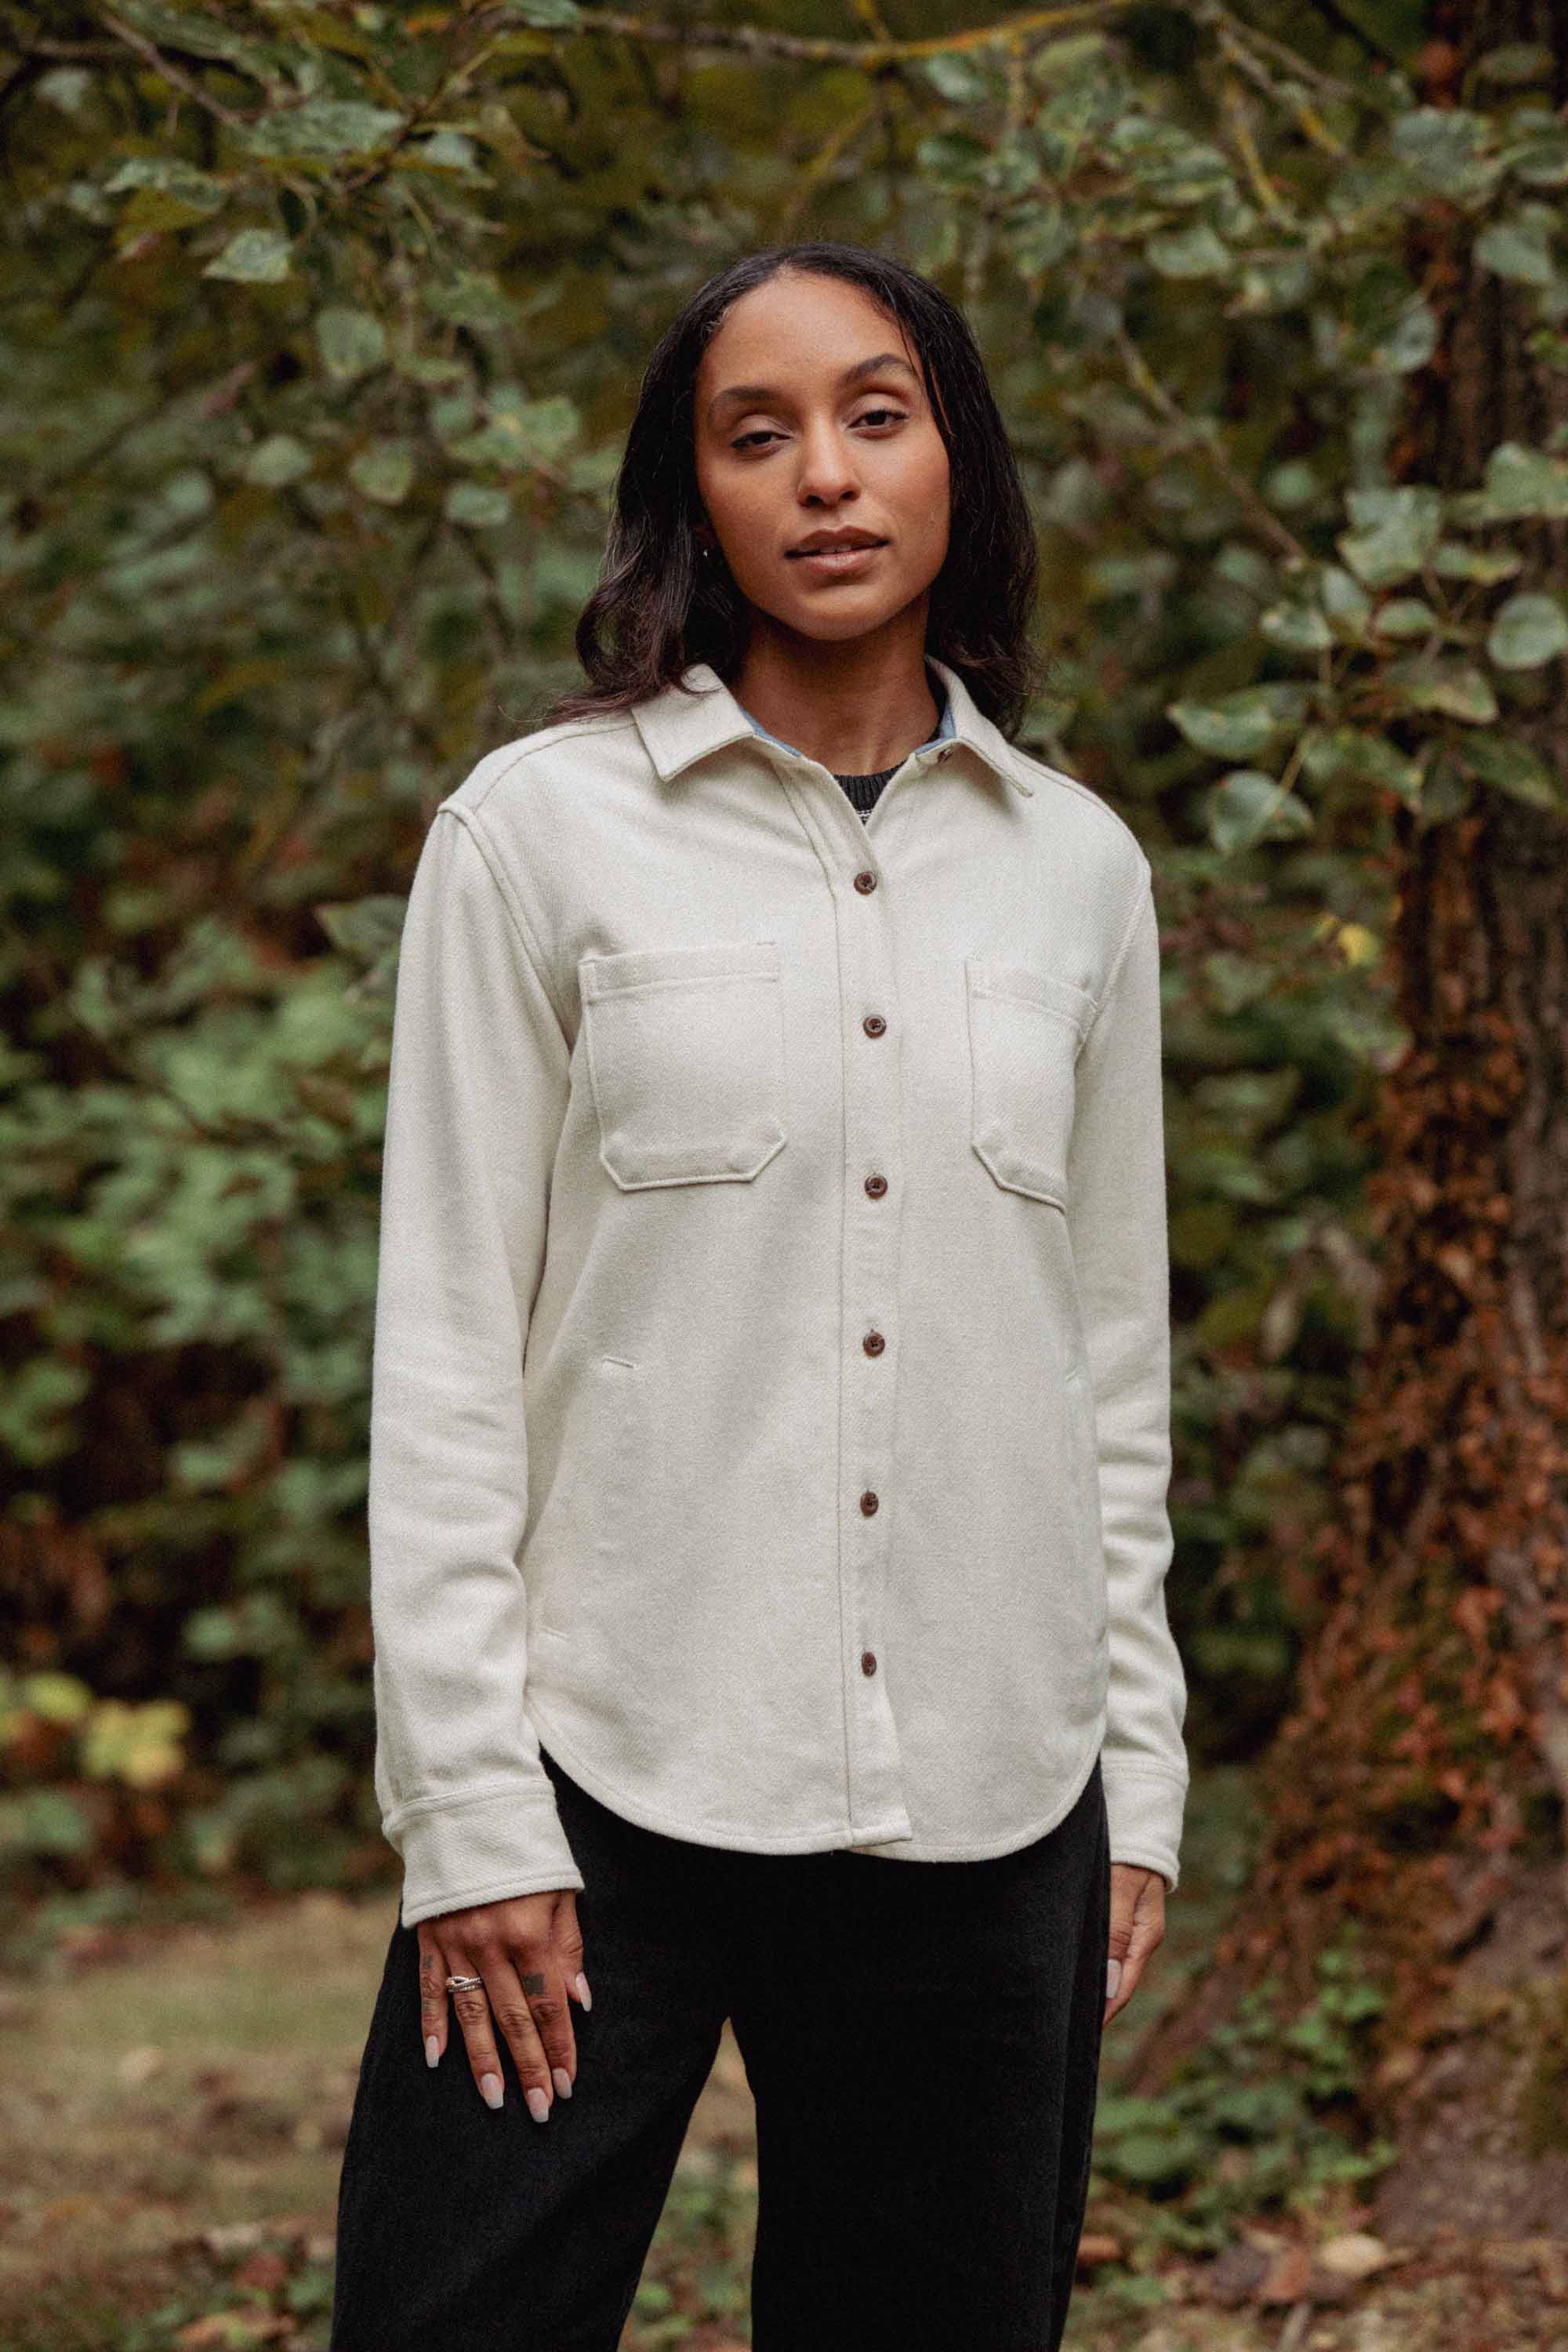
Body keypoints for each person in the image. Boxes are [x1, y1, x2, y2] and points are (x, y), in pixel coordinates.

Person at [330, 239, 1189, 2352]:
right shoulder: (537, 836)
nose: (823, 476)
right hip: (602, 1765)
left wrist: (1132, 1778)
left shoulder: (1077, 869)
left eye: (875, 416)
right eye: (757, 431)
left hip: (990, 1794)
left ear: (956, 468)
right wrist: (465, 1811)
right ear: (691, 495)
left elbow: (1107, 1355)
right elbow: (446, 1344)